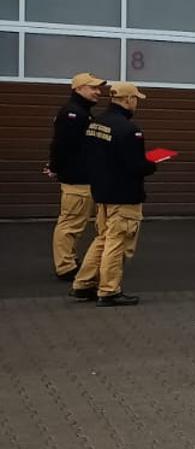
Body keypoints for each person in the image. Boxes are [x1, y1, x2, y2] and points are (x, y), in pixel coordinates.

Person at [71, 82, 156, 307]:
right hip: (124, 195)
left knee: (102, 239)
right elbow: (136, 166)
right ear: (128, 100)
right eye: (136, 99)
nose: (136, 103)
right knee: (117, 243)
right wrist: (152, 164)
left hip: (102, 192)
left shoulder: (95, 123)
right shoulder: (130, 130)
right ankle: (109, 291)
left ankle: (83, 284)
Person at [46, 72, 106, 281]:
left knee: (75, 223)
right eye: (93, 87)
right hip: (76, 180)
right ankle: (65, 267)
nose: (98, 92)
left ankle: (69, 261)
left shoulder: (82, 112)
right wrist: (56, 166)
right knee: (71, 224)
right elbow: (61, 145)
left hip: (83, 177)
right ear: (79, 89)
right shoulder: (73, 114)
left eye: (98, 88)